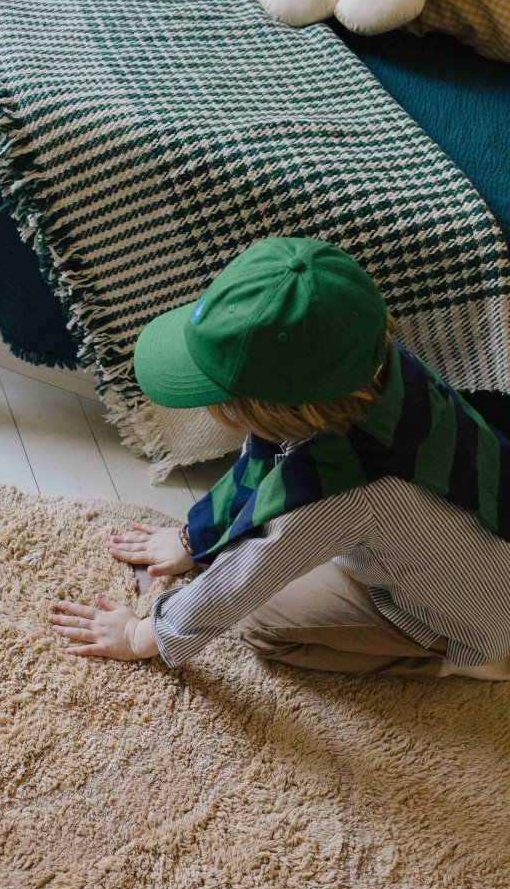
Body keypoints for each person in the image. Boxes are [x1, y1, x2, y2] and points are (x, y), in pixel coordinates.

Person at [49, 237, 510, 680]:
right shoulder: (368, 362)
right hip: (488, 529)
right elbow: (265, 453)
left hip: (481, 622)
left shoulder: (338, 496)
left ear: (269, 408)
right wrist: (195, 539)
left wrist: (138, 634)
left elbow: (240, 582)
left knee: (260, 624)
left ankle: (470, 660)